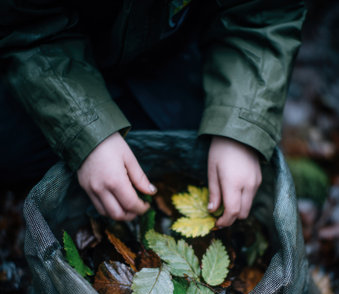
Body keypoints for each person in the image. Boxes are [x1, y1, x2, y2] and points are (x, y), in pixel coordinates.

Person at [0, 0, 306, 227]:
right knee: (12, 152)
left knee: (204, 152)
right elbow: (26, 26)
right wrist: (87, 132)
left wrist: (241, 125)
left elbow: (264, 14)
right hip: (52, 58)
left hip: (171, 51)